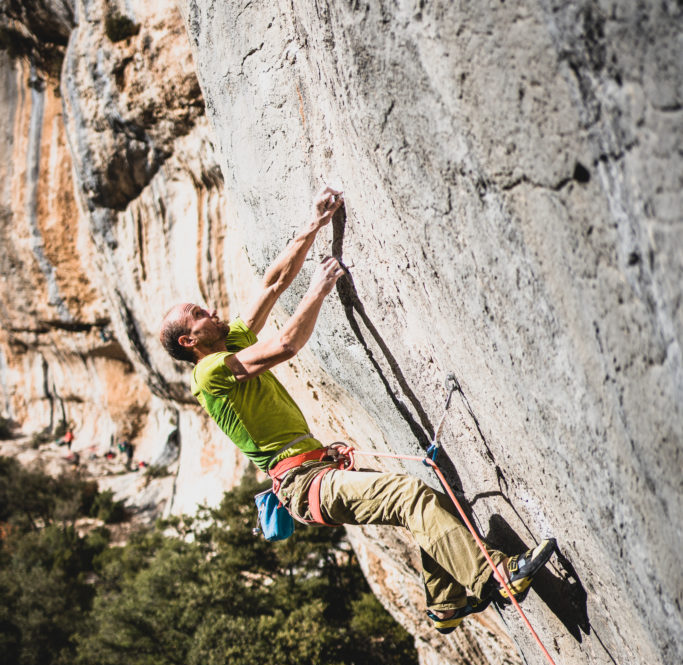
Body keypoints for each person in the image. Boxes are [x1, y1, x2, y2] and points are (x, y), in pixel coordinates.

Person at [159, 186, 554, 634]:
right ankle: (493, 577)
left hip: (312, 470)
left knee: (428, 502)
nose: (211, 309)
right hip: (303, 484)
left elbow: (272, 284)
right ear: (190, 341)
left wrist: (315, 224)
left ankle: (445, 603)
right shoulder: (209, 372)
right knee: (410, 498)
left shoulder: (226, 339)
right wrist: (321, 287)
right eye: (198, 314)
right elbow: (284, 345)